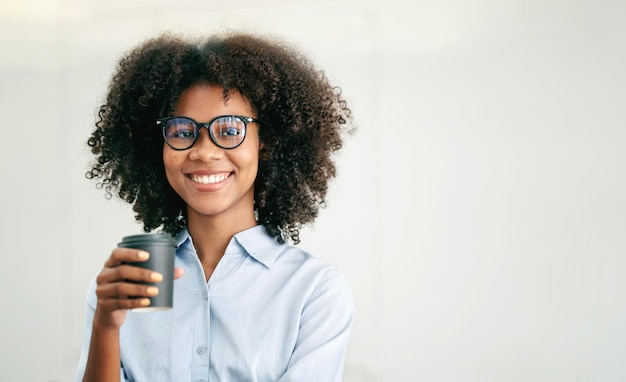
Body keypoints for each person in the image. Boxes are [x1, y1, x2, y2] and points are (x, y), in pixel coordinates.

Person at [74, 31, 355, 382]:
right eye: (180, 131)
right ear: (155, 146)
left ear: (265, 141)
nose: (204, 152)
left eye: (229, 129)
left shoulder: (313, 289)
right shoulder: (124, 286)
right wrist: (105, 325)